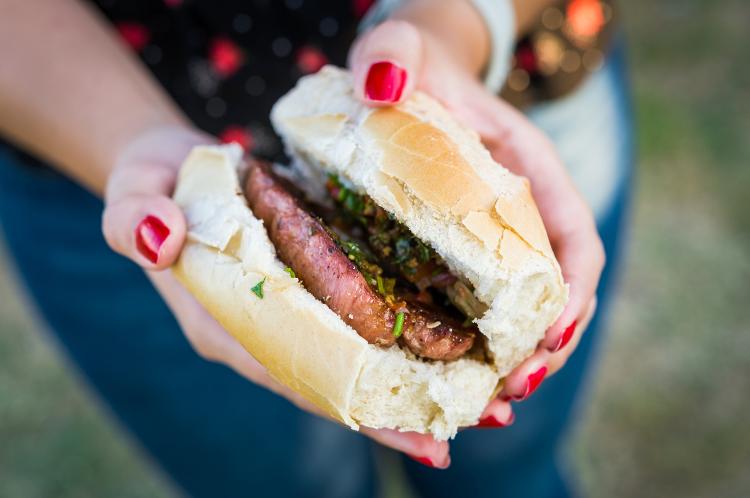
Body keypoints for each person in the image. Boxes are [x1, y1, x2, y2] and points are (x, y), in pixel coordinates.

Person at [0, 0, 631, 496]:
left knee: (508, 478)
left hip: (505, 92)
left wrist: (455, 23)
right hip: (80, 138)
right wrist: (125, 138)